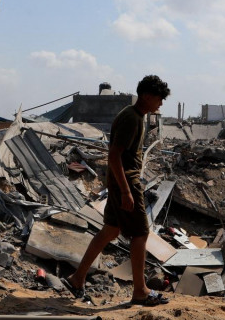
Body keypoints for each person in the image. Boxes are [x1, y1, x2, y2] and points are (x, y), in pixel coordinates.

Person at [62, 75, 171, 306]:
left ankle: (77, 278)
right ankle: (140, 290)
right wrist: (126, 191)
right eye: (159, 99)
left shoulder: (135, 117)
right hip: (126, 182)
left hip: (120, 183)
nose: (160, 104)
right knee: (141, 233)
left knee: (110, 230)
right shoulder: (131, 118)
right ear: (147, 96)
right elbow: (113, 156)